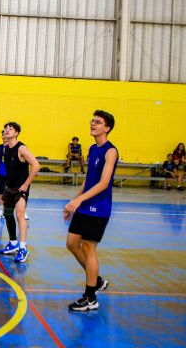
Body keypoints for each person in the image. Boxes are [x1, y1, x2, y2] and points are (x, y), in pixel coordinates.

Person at [64, 110, 118, 312]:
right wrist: (74, 200)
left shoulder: (110, 151)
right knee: (71, 244)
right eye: (92, 121)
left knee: (88, 247)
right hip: (85, 204)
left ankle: (90, 297)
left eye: (98, 122)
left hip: (99, 207)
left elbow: (104, 183)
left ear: (107, 128)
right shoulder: (92, 148)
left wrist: (80, 200)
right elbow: (89, 179)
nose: (93, 124)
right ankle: (97, 280)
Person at [0, 121, 40, 263]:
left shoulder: (21, 148)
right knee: (7, 213)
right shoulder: (5, 149)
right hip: (9, 187)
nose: (7, 130)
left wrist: (26, 184)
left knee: (20, 215)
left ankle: (23, 248)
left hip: (21, 188)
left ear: (16, 133)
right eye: (5, 129)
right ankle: (13, 242)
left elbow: (36, 165)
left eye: (10, 129)